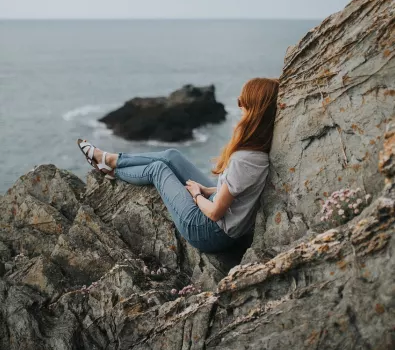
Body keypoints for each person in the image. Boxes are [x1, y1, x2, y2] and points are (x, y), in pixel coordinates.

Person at [77, 77, 279, 253]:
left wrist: (196, 195)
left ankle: (112, 168)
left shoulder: (245, 159)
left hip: (207, 231)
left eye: (242, 101)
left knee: (158, 169)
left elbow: (216, 212)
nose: (238, 105)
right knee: (171, 155)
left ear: (254, 110)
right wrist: (207, 190)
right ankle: (111, 159)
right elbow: (234, 192)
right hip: (219, 217)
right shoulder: (257, 150)